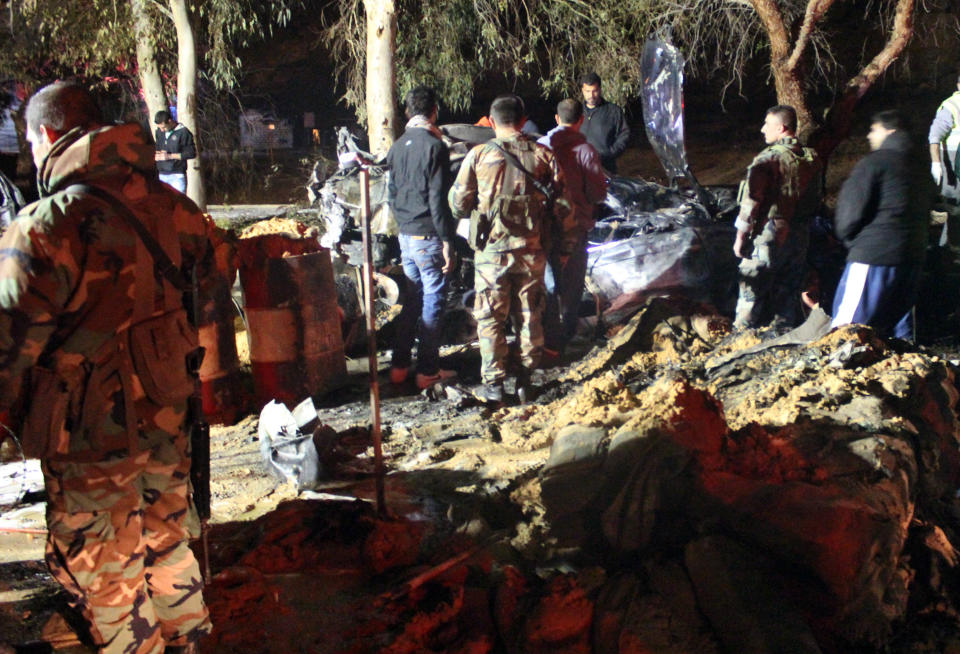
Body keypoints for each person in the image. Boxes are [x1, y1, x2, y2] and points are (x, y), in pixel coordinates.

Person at [0, 82, 220, 653]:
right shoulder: (173, 207)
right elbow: (217, 288)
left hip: (85, 434)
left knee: (105, 566)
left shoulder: (44, 226)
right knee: (170, 541)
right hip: (166, 415)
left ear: (48, 134)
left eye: (28, 139)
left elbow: (8, 350)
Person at [450, 94, 573, 403]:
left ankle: (494, 386)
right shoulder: (544, 155)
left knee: (490, 318)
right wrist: (565, 245)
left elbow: (459, 203)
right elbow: (563, 207)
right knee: (530, 314)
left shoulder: (479, 155)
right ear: (522, 120)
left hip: (492, 254)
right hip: (532, 251)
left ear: (491, 123)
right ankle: (525, 381)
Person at [831, 110, 931, 341]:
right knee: (897, 338)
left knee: (846, 334)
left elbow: (850, 212)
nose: (869, 136)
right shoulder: (919, 167)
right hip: (912, 258)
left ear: (890, 131)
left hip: (873, 257)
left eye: (874, 129)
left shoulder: (876, 163)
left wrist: (850, 242)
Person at [386, 86, 458, 389]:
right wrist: (447, 240)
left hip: (405, 235)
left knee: (413, 300)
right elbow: (437, 199)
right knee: (433, 300)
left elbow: (390, 194)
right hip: (428, 235)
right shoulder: (435, 146)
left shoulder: (398, 146)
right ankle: (427, 370)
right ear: (434, 111)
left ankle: (400, 366)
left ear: (407, 112)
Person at [732, 105, 821, 330]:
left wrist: (740, 237)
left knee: (751, 288)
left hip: (770, 233)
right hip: (799, 233)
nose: (762, 129)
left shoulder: (769, 158)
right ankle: (783, 335)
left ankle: (740, 338)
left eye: (767, 124)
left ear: (780, 128)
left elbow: (751, 201)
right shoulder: (810, 158)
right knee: (788, 289)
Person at [537, 99, 608, 356]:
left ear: (557, 118)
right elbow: (599, 193)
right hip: (576, 226)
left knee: (548, 283)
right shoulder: (585, 151)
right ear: (581, 120)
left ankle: (543, 337)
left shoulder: (541, 146)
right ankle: (563, 339)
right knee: (572, 286)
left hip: (545, 227)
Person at [579, 72, 630, 174]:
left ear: (600, 89)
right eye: (588, 91)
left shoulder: (613, 111)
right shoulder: (576, 111)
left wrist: (609, 153)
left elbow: (624, 136)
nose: (591, 95)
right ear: (582, 91)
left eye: (595, 91)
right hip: (579, 170)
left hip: (606, 170)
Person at [929, 73, 960, 204]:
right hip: (953, 159)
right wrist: (936, 163)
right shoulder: (951, 105)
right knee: (954, 206)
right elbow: (935, 136)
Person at [154, 109, 196, 193]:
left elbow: (191, 153)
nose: (161, 130)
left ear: (170, 121)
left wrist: (169, 156)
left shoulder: (183, 132)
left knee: (179, 203)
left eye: (163, 127)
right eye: (159, 128)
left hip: (177, 175)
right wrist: (157, 155)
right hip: (162, 174)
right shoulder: (159, 132)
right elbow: (158, 148)